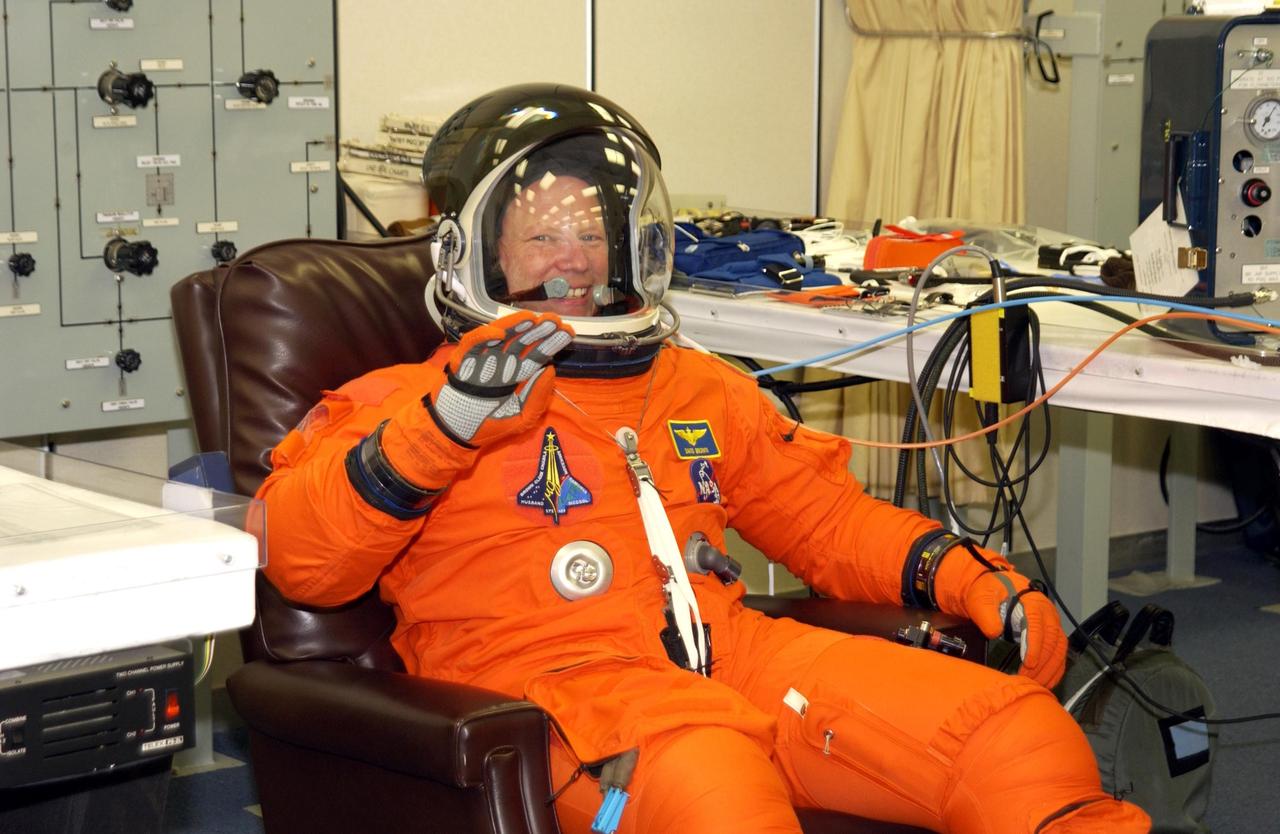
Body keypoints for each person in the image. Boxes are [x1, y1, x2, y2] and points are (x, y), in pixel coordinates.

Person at [257, 84, 1150, 834]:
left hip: (728, 654)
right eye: (543, 238)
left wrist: (970, 576)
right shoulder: (407, 403)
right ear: (472, 253)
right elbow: (302, 561)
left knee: (1014, 738)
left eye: (593, 235)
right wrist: (445, 426)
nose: (576, 262)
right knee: (718, 792)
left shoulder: (697, 387)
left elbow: (828, 522)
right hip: (552, 690)